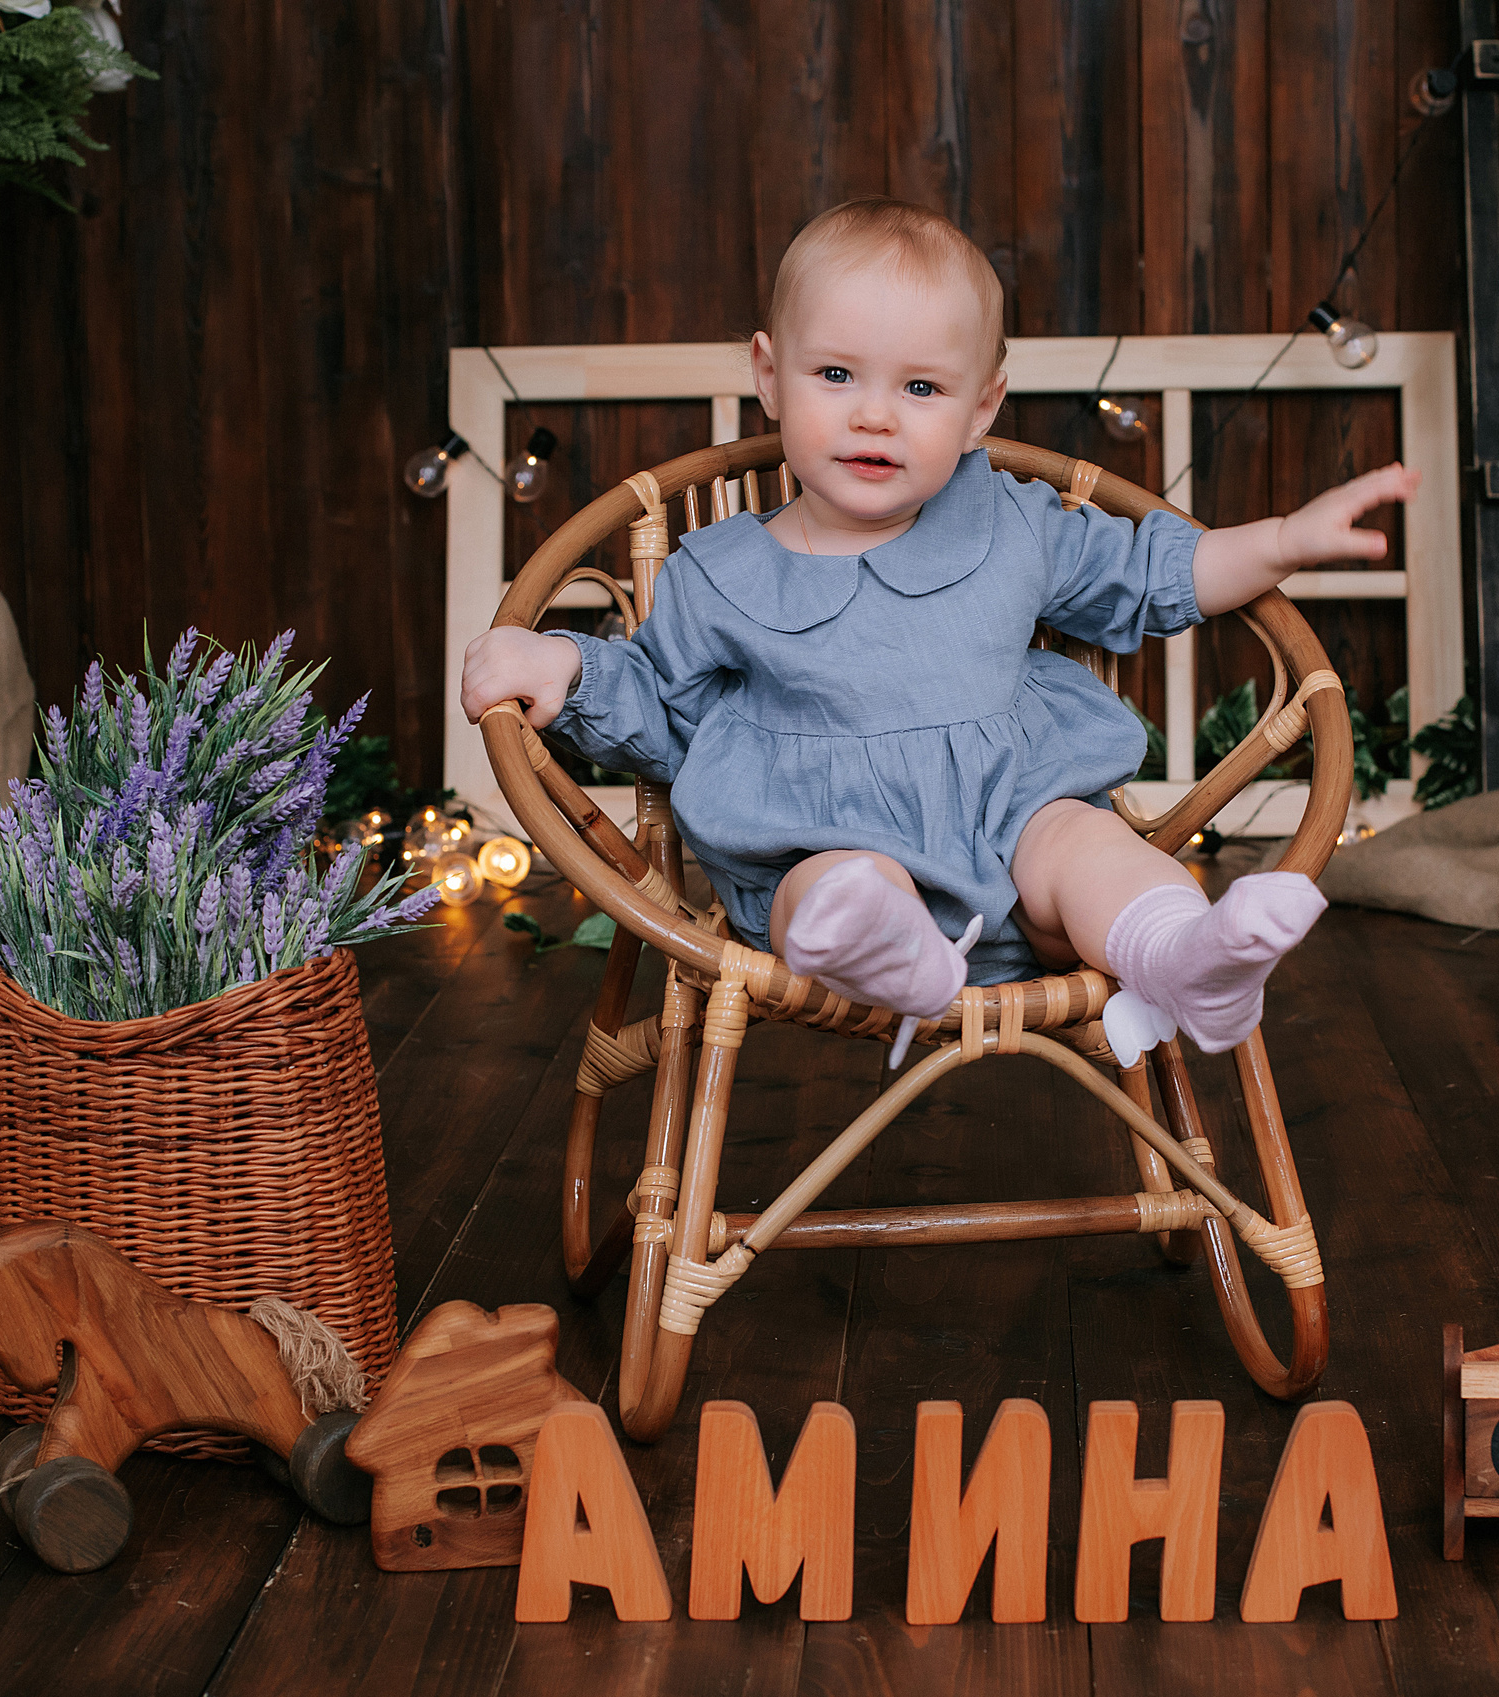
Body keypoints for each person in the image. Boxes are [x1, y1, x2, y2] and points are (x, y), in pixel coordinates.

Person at [462, 198, 1417, 1066]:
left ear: (980, 408)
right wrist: (564, 665)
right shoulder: (720, 572)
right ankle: (889, 952)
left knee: (1087, 844)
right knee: (831, 887)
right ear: (770, 376)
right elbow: (662, 709)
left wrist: (1283, 540)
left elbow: (1148, 574)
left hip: (1017, 834)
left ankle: (1183, 955)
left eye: (921, 388)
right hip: (822, 841)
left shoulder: (1006, 519)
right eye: (836, 374)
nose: (875, 414)